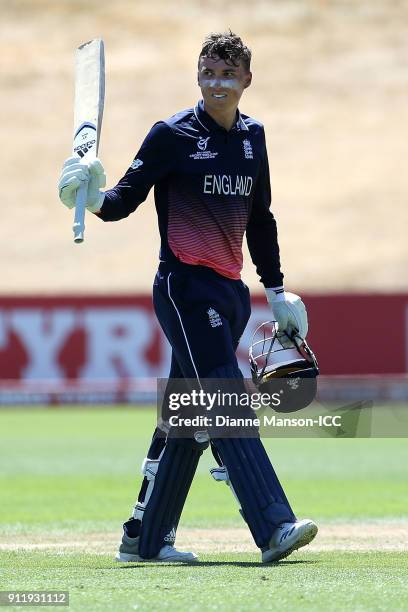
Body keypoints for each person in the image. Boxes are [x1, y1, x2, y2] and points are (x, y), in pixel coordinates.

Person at [58, 31, 317, 563]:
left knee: (185, 417)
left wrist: (276, 287)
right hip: (183, 288)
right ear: (197, 76)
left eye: (227, 74)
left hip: (229, 289)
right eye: (207, 73)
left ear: (246, 79)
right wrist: (86, 193)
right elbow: (122, 200)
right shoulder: (172, 135)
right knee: (226, 401)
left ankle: (144, 539)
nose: (216, 84)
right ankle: (273, 526)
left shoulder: (253, 138)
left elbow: (260, 219)